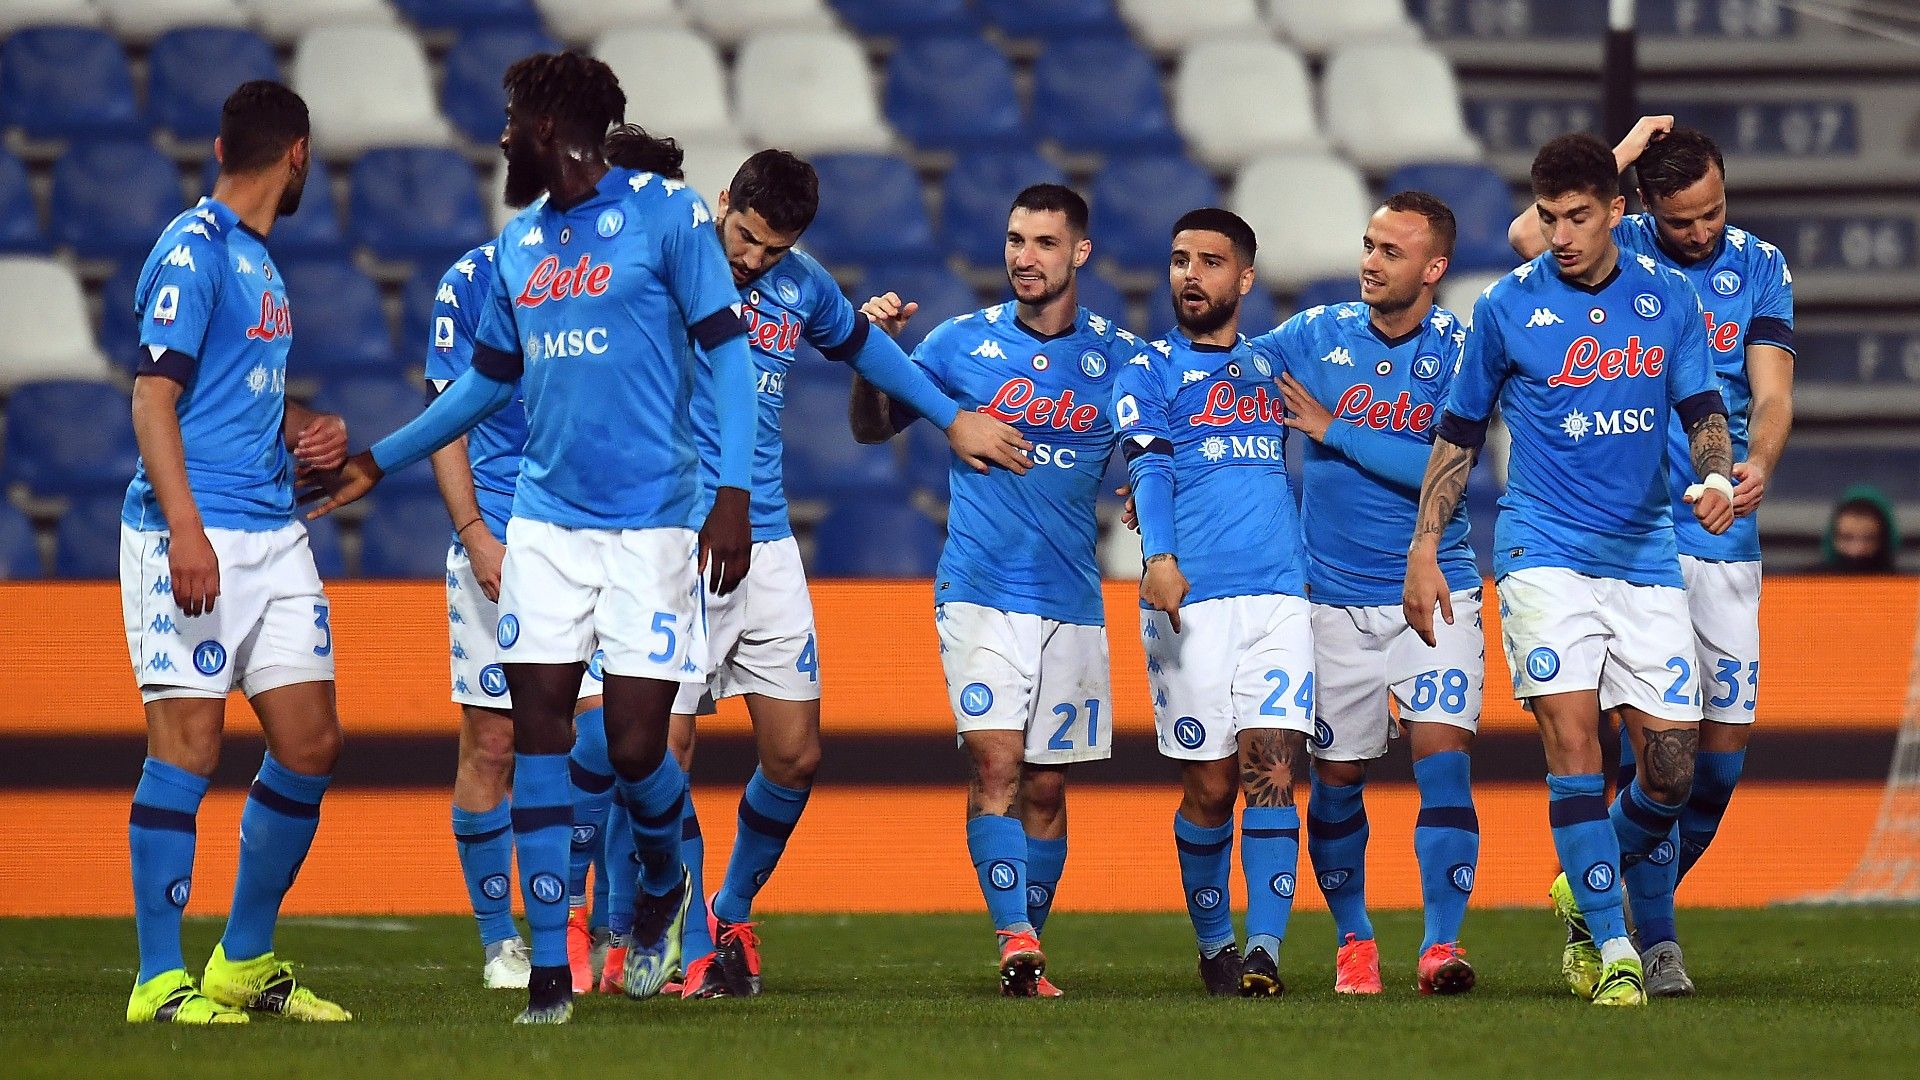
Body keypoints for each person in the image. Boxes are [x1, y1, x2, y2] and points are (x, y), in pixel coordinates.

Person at [308, 52, 758, 1025]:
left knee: (634, 747)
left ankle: (660, 881)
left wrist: (734, 491)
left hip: (652, 522)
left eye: (515, 119)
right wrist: (379, 461)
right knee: (539, 732)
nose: (504, 135)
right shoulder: (519, 245)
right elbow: (483, 385)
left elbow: (727, 351)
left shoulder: (668, 216)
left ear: (551, 127)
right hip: (545, 527)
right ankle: (550, 969)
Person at [571, 148, 1029, 999]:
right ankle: (662, 936)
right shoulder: (663, 267)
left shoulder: (801, 284)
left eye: (773, 248)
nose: (753, 259)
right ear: (722, 202)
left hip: (767, 546)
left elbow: (863, 349)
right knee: (662, 748)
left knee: (795, 755)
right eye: (745, 237)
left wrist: (950, 418)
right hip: (672, 539)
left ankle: (727, 910)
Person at [1405, 133, 1734, 1007]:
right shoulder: (1506, 307)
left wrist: (1714, 477)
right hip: (1542, 553)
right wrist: (1425, 546)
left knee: (1671, 770)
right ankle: (1614, 947)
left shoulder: (1667, 298)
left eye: (1578, 217)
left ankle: (1582, 882)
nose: (1560, 235)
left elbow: (1703, 407)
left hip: (1645, 553)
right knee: (1575, 742)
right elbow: (1459, 434)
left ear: (1616, 214)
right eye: (1548, 217)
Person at [1509, 118, 1795, 995]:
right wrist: (1620, 153)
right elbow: (1528, 235)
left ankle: (1587, 889)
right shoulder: (1618, 242)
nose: (1701, 232)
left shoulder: (1761, 265)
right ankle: (1652, 941)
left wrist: (1759, 463)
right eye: (1681, 220)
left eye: (1713, 212)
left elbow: (1771, 391)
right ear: (1640, 208)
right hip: (1632, 536)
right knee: (1652, 752)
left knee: (1718, 765)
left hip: (1722, 532)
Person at [849, 184, 1129, 997]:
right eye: (1014, 240)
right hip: (980, 588)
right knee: (997, 765)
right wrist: (875, 357)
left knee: (1046, 784)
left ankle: (1028, 948)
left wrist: (1154, 490)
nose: (1023, 257)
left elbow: (1162, 442)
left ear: (1079, 252)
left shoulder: (1119, 356)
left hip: (1072, 597)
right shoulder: (957, 343)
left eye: (1044, 243)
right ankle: (1013, 938)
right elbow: (871, 426)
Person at [122, 80, 352, 1024]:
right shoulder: (195, 248)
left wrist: (303, 428)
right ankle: (156, 982)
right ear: (297, 155)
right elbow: (152, 398)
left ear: (223, 147)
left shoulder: (255, 260)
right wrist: (184, 529)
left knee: (310, 740)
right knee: (190, 743)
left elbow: (227, 392)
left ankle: (243, 960)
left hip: (273, 529)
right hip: (195, 532)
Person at [1249, 192, 1483, 996]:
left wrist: (1334, 430)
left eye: (1391, 251)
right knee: (1337, 779)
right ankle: (1355, 938)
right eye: (1369, 245)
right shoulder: (1313, 335)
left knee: (1443, 762)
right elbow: (1222, 377)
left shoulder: (1461, 351)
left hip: (1436, 588)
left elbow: (1446, 467)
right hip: (1330, 601)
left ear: (1434, 268)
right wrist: (1158, 463)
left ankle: (1441, 945)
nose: (1371, 263)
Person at [1113, 209, 1312, 998]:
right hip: (1189, 599)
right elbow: (1149, 466)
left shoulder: (1273, 365)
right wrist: (1158, 557)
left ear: (1245, 278)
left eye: (1210, 261)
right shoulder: (1147, 369)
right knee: (1210, 787)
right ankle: (1214, 944)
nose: (1190, 274)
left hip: (1280, 594)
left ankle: (1263, 952)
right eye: (1179, 260)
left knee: (1273, 769)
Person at [422, 239, 616, 993]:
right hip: (503, 542)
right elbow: (446, 416)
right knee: (494, 744)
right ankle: (502, 940)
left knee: (603, 740)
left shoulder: (624, 271)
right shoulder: (473, 279)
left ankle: (583, 918)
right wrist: (474, 534)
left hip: (602, 541)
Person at [1823, 485, 1898, 572]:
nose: (1858, 550)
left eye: (1869, 538)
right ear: (1832, 540)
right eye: (1847, 538)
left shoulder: (1905, 580)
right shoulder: (1811, 578)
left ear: (1885, 540)